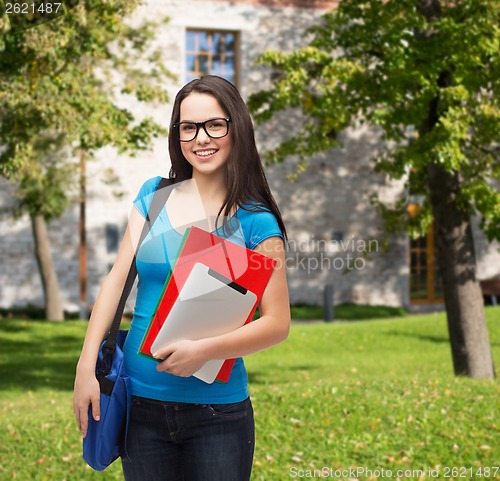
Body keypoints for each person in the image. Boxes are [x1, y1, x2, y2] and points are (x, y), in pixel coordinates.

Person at [73, 75, 290, 481]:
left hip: (217, 415)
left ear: (235, 128)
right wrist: (86, 366)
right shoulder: (154, 197)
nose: (201, 138)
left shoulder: (257, 222)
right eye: (188, 127)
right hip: (139, 407)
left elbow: (277, 324)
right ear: (177, 134)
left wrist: (205, 350)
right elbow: (116, 281)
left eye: (214, 125)